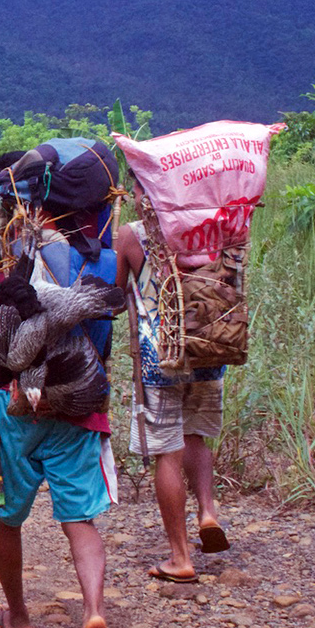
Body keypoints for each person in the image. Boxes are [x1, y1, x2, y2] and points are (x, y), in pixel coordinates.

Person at [0, 182, 123, 628]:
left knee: (7, 517)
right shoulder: (106, 257)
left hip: (15, 409)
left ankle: (17, 614)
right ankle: (93, 613)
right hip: (78, 407)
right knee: (80, 519)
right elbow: (107, 336)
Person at [115, 175, 230, 584]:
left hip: (159, 357)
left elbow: (113, 296)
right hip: (209, 348)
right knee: (196, 437)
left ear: (144, 193)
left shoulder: (132, 235)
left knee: (167, 451)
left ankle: (180, 556)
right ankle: (208, 512)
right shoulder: (207, 229)